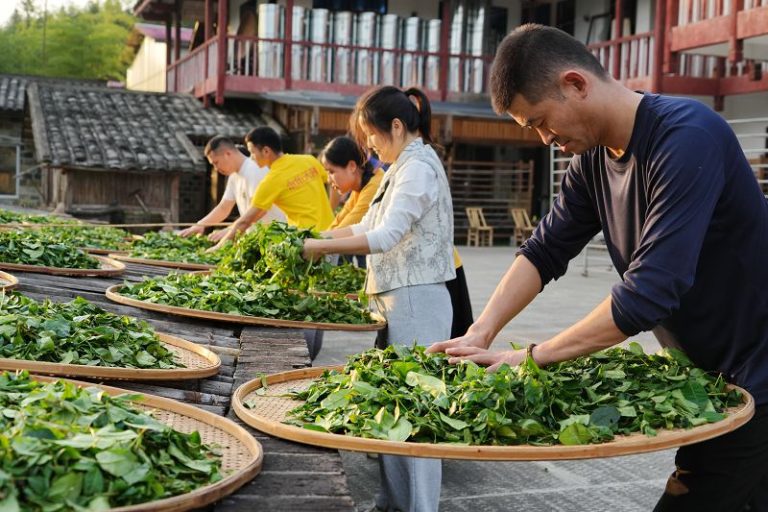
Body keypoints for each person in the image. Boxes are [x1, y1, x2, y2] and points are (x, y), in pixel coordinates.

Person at [428, 24, 768, 511]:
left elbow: (650, 292)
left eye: (541, 121)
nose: (545, 138)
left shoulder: (688, 135)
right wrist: (481, 331)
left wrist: (530, 357)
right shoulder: (592, 161)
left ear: (576, 83)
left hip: (757, 370)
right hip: (714, 373)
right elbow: (545, 250)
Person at [302, 85, 455, 512]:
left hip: (417, 300)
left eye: (371, 136)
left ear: (397, 126)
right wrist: (310, 237)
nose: (368, 146)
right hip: (394, 299)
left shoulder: (420, 167)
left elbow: (384, 237)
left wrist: (315, 249)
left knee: (419, 414)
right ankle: (391, 503)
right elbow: (364, 223)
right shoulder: (397, 167)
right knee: (391, 405)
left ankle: (421, 507)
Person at [209, 126, 334, 250]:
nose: (251, 157)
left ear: (266, 151)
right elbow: (334, 182)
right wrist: (331, 207)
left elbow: (246, 221)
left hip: (308, 241)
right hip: (332, 235)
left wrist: (219, 247)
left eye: (252, 152)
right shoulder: (308, 160)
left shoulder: (271, 181)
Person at [179, 136, 284, 240]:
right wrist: (200, 225)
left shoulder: (255, 168)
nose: (216, 169)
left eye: (216, 163)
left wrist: (230, 230)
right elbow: (224, 207)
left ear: (227, 154)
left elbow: (258, 211)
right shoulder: (234, 177)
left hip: (277, 235)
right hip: (257, 237)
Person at [321, 135, 384, 268]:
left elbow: (347, 227)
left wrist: (315, 242)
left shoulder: (373, 187)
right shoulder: (359, 188)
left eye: (331, 172)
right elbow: (340, 221)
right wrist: (315, 239)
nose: (328, 179)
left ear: (351, 166)